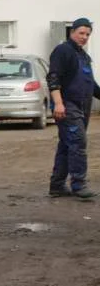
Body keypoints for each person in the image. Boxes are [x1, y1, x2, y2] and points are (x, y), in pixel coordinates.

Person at [47, 18, 100, 199]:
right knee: (78, 142)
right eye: (81, 33)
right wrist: (59, 103)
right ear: (72, 32)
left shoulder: (83, 56)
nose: (84, 37)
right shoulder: (63, 51)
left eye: (87, 34)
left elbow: (91, 84)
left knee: (67, 144)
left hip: (82, 107)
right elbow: (53, 77)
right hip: (67, 105)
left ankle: (57, 186)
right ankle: (79, 185)